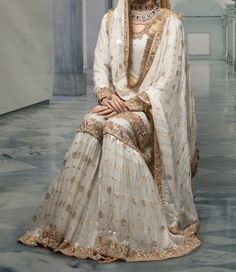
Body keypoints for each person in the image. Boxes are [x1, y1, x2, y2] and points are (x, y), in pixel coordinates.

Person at [18, 0, 201, 263]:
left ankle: (119, 233)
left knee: (116, 127)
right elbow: (100, 66)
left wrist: (133, 104)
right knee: (91, 122)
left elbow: (169, 79)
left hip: (150, 110)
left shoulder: (171, 23)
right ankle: (68, 226)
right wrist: (105, 96)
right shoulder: (111, 19)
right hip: (115, 103)